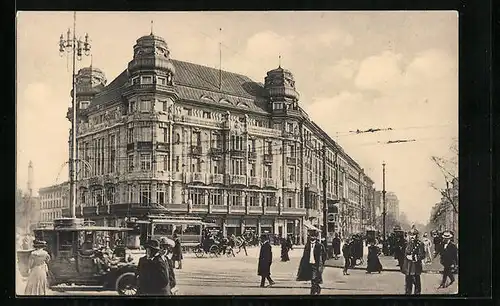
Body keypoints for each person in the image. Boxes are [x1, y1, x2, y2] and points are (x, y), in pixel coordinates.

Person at [401, 228, 426, 295]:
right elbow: (405, 255)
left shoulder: (420, 244)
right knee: (408, 286)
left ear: (417, 235)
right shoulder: (407, 244)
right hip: (408, 268)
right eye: (411, 235)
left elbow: (422, 255)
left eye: (414, 235)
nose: (412, 236)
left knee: (417, 285)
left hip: (415, 268)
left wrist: (413, 257)